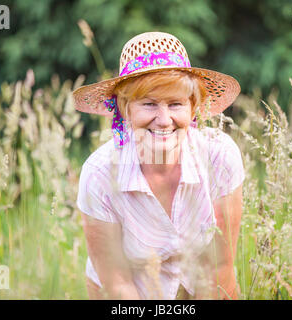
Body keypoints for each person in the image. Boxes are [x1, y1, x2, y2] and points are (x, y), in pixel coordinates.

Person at [73, 32, 245, 300]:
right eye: (149, 104)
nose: (164, 120)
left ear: (193, 107)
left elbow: (220, 267)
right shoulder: (100, 174)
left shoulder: (219, 157)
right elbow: (117, 282)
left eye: (175, 104)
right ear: (126, 109)